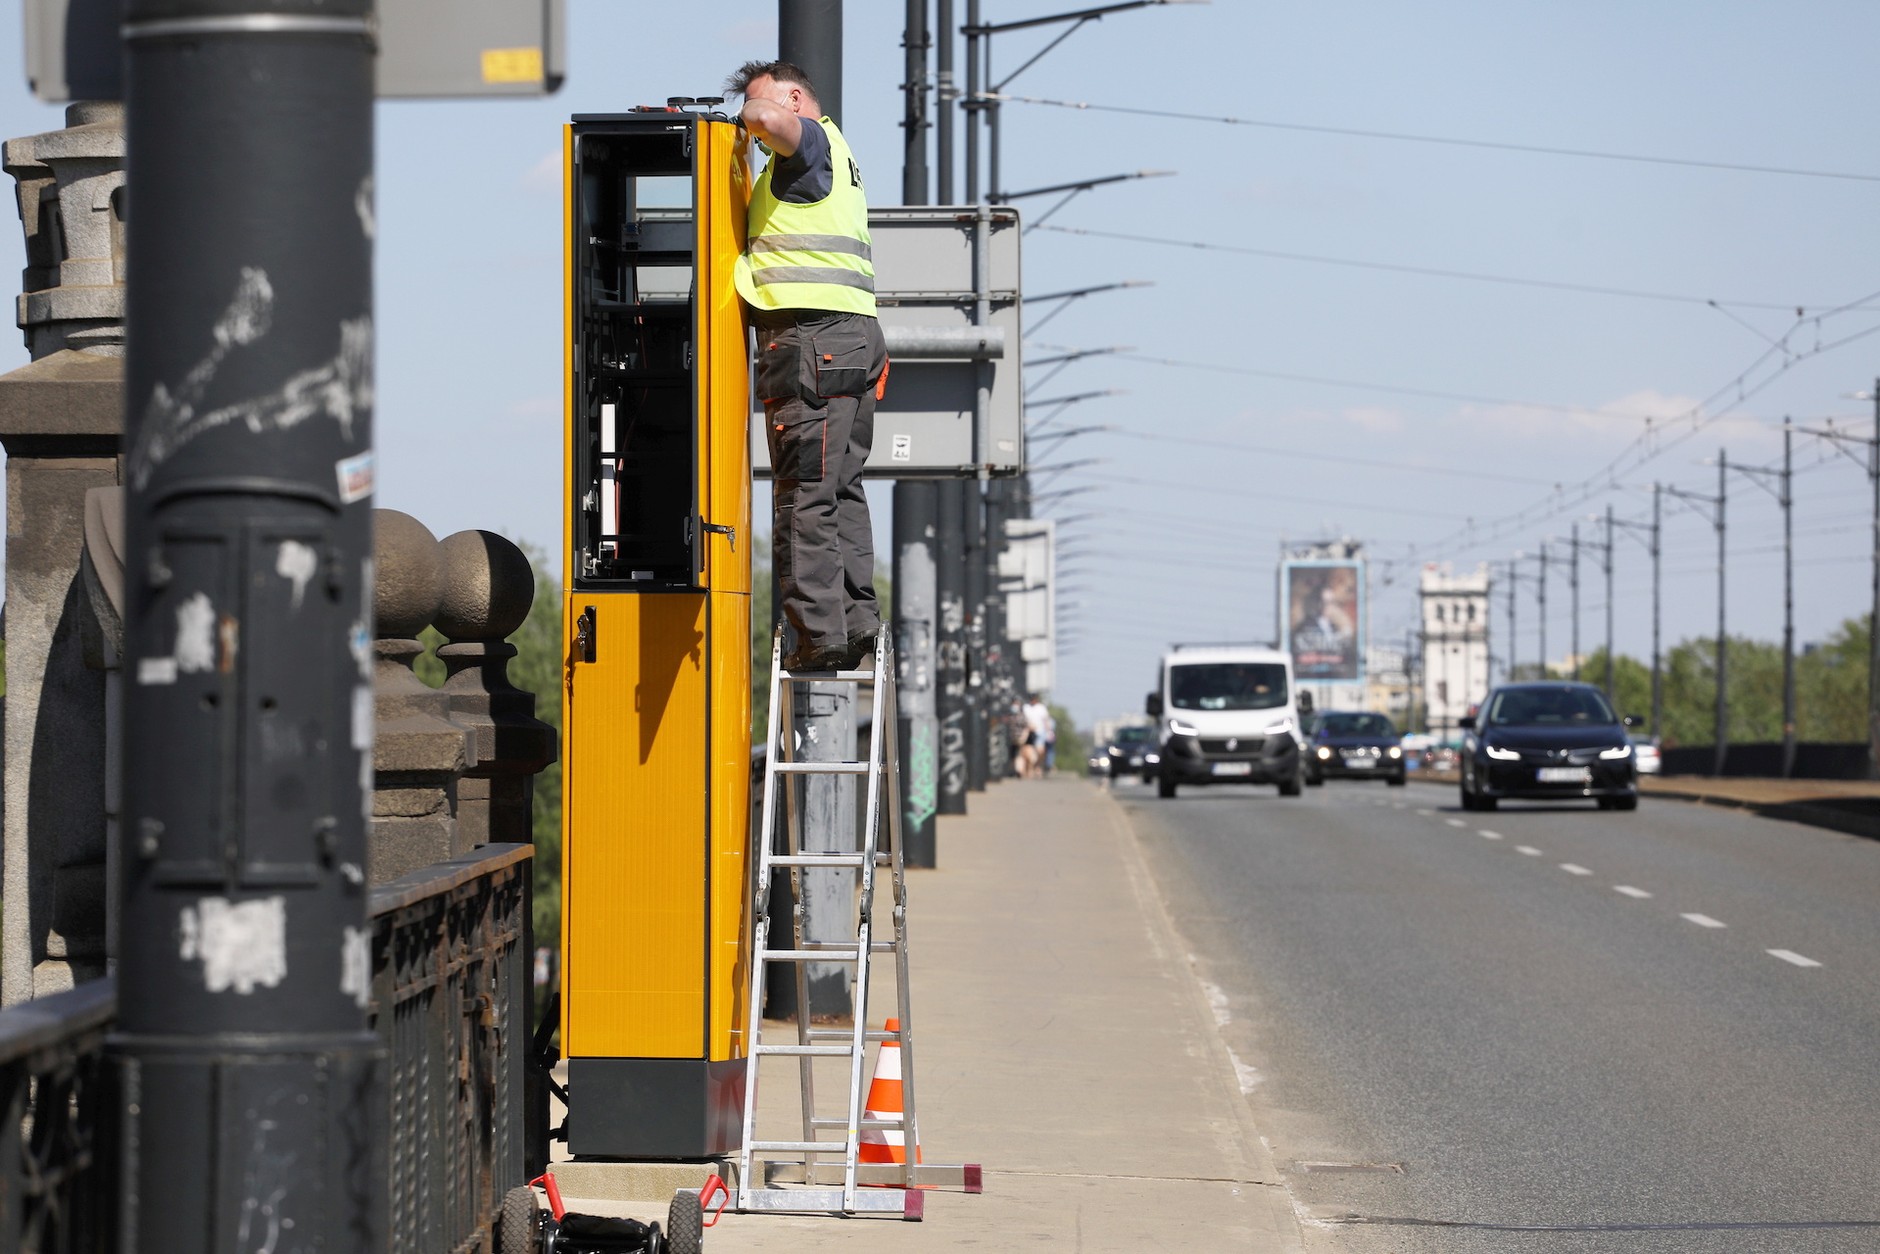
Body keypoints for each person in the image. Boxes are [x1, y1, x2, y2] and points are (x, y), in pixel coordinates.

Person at [726, 60, 888, 673]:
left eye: (760, 104)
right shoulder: (839, 156)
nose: (756, 124)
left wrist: (738, 122)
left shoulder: (810, 143)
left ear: (796, 98)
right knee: (841, 491)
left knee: (804, 497)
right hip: (850, 338)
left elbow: (770, 116)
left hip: (812, 341)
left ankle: (819, 638)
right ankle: (856, 624)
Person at [1020, 694, 1050, 780]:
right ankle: (1029, 769)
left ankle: (1037, 766)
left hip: (1040, 732)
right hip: (1028, 732)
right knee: (1027, 753)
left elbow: (1046, 720)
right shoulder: (1026, 707)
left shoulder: (1041, 708)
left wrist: (1048, 731)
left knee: (1040, 751)